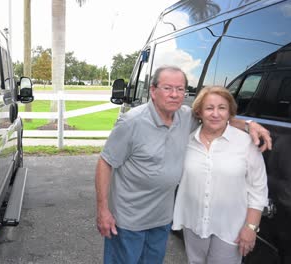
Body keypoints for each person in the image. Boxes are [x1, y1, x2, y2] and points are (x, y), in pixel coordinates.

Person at [95, 66, 271, 264]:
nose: (174, 95)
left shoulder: (185, 117)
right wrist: (103, 210)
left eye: (180, 89)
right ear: (153, 91)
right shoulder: (131, 122)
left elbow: (216, 117)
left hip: (161, 219)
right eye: (168, 88)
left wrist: (249, 125)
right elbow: (105, 162)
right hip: (128, 219)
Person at [172, 86, 269, 264]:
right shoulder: (186, 142)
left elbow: (258, 189)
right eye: (209, 108)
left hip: (231, 228)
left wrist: (251, 227)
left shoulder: (246, 143)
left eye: (222, 108)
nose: (215, 114)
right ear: (199, 112)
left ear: (230, 112)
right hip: (193, 224)